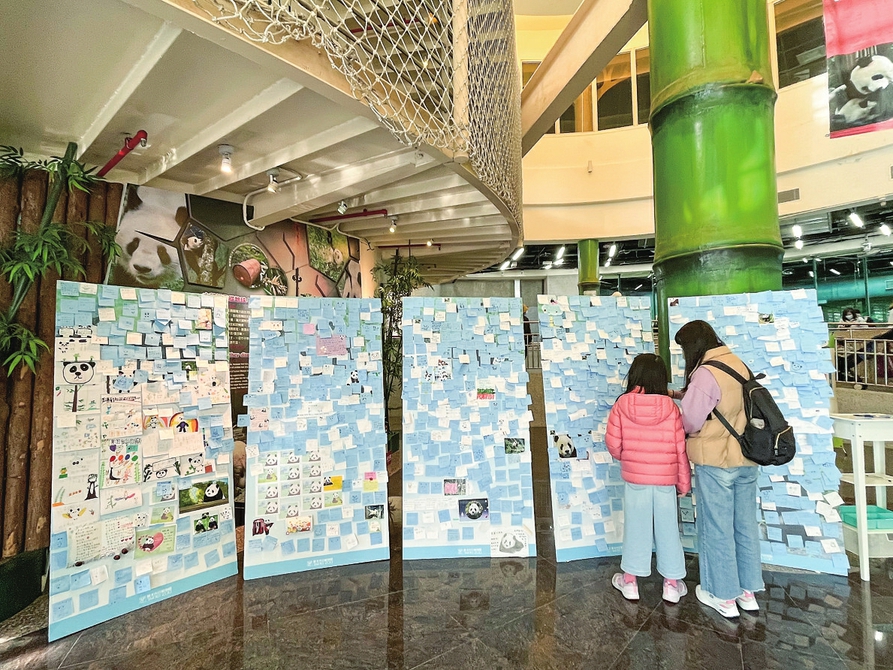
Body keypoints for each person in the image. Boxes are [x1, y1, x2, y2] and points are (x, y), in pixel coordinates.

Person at [674, 321, 763, 619]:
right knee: (745, 526)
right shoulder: (738, 364)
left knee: (717, 528)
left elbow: (691, 420)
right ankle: (748, 593)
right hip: (746, 459)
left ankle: (722, 595)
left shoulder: (705, 372)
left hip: (716, 461)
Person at [606, 353, 690, 604]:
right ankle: (671, 585)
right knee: (668, 530)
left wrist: (630, 458)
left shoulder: (622, 404)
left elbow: (613, 444)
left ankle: (630, 582)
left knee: (635, 527)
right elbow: (680, 450)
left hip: (635, 480)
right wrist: (684, 482)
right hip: (665, 480)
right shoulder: (672, 408)